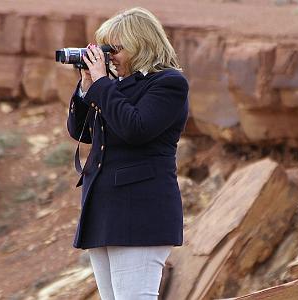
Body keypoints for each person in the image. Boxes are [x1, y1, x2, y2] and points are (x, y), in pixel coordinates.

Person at [66, 7, 189, 300]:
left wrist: (102, 85)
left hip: (140, 211)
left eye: (115, 49)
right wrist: (87, 87)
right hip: (104, 208)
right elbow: (80, 131)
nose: (110, 57)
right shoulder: (115, 86)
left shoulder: (168, 83)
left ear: (141, 44)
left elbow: (135, 128)